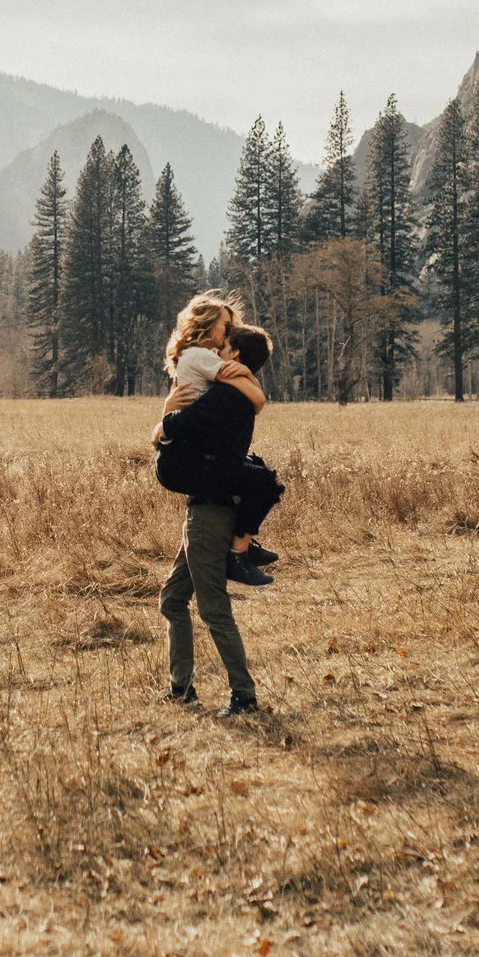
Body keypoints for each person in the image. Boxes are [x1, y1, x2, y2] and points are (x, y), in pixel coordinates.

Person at [153, 318, 279, 716]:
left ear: (236, 355)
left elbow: (176, 426)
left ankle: (244, 696)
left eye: (223, 348)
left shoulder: (225, 398)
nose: (216, 353)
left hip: (210, 513)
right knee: (173, 599)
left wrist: (166, 417)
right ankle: (181, 688)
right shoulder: (235, 394)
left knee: (213, 609)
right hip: (207, 508)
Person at [155, 296, 281, 583]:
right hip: (191, 454)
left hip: (192, 446)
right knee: (261, 481)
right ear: (208, 326)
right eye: (226, 326)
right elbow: (256, 400)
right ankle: (238, 554)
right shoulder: (203, 358)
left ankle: (243, 545)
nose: (230, 330)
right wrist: (251, 376)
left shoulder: (194, 357)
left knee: (257, 471)